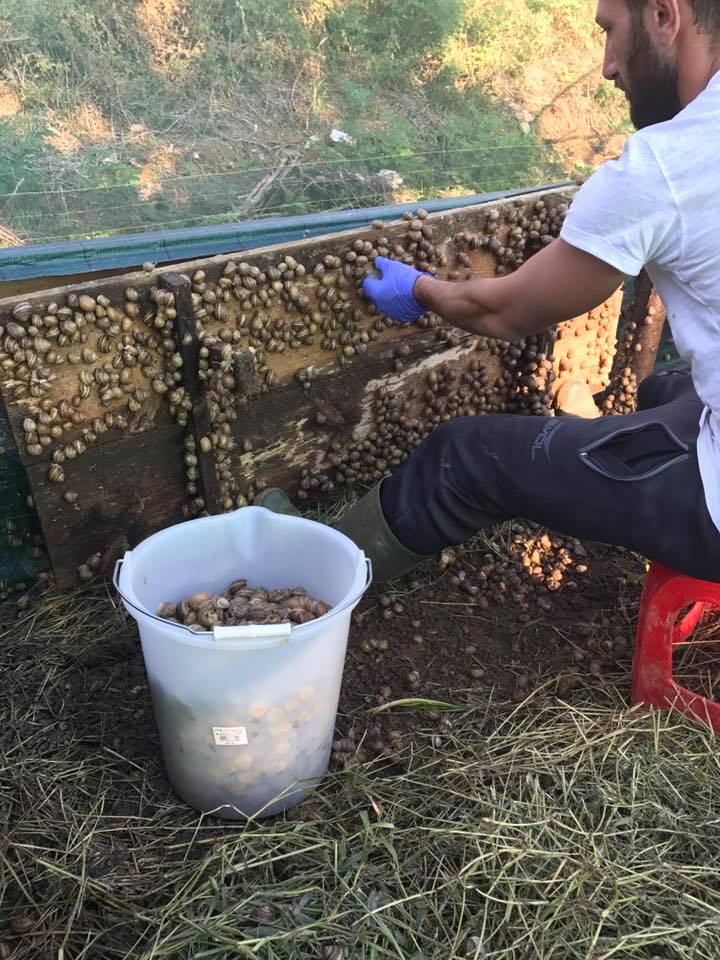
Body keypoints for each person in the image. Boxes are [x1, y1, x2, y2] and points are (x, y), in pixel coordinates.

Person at [259, 0, 720, 584]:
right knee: (663, 388)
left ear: (662, 15)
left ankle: (309, 581)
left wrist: (422, 288)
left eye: (610, 31)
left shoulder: (668, 165)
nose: (606, 66)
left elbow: (505, 313)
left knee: (466, 458)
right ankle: (592, 429)